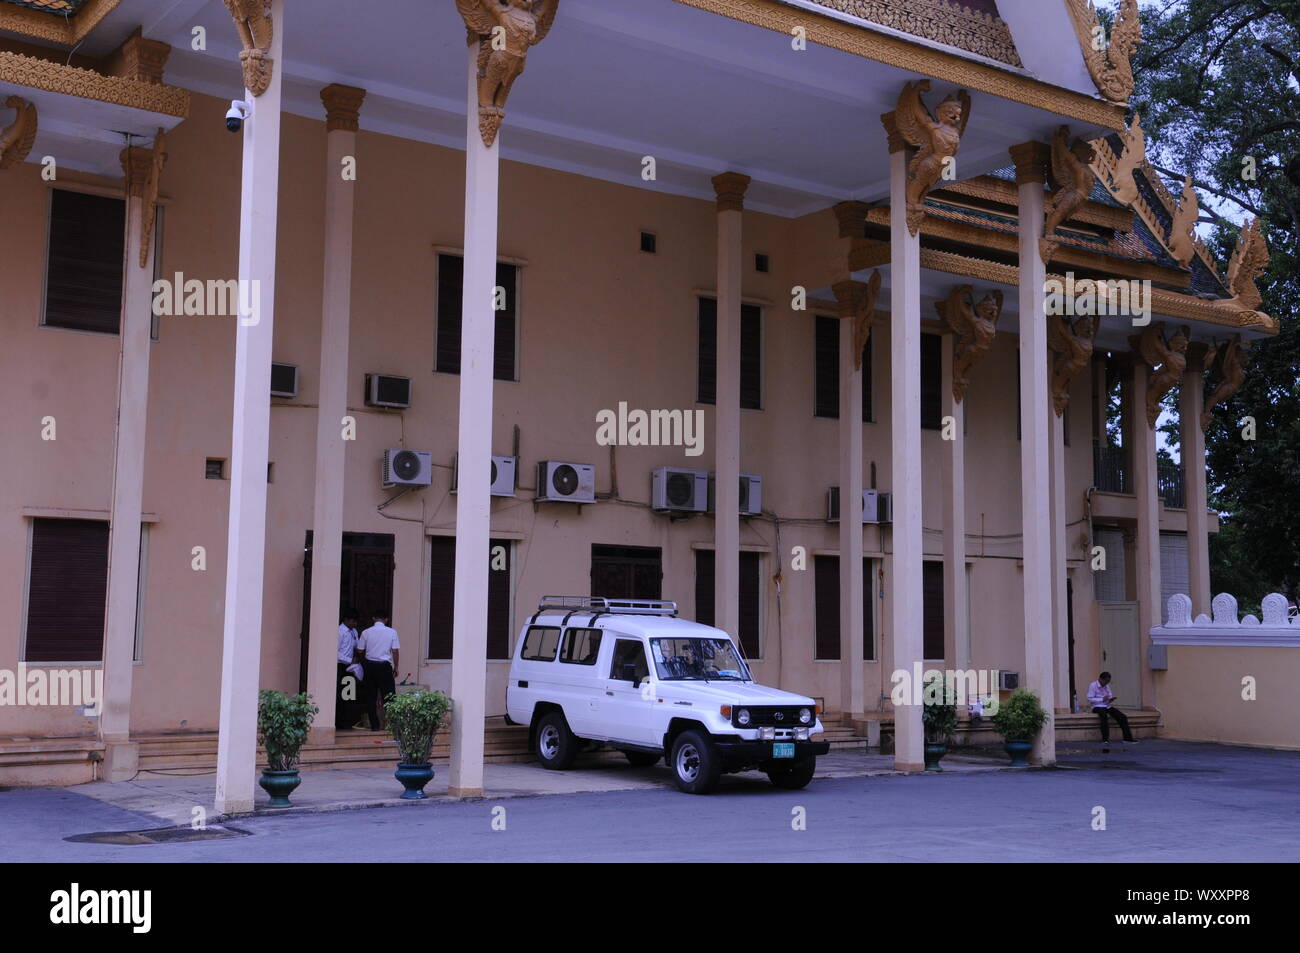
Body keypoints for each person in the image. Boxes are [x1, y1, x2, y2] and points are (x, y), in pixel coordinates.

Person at [357, 610, 400, 730]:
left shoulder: (366, 632)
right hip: (384, 666)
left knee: (371, 696)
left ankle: (374, 726)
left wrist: (363, 662)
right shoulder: (392, 632)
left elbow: (360, 650)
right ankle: (391, 725)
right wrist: (396, 667)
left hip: (369, 666)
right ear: (386, 619)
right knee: (389, 696)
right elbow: (395, 651)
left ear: (373, 618)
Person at [1087, 671, 1137, 744]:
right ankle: (1105, 739)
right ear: (1100, 679)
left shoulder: (1106, 686)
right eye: (1106, 681)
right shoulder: (1093, 685)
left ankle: (1127, 738)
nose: (1107, 683)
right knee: (1104, 716)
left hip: (1106, 706)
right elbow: (1089, 698)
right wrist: (1102, 699)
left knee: (1122, 717)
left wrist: (1110, 699)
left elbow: (1109, 695)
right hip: (1096, 706)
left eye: (1108, 682)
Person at [335, 609, 362, 730]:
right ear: (345, 620)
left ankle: (348, 720)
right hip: (341, 665)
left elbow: (356, 646)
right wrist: (349, 660)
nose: (355, 624)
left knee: (349, 694)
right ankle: (338, 721)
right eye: (353, 621)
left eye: (356, 622)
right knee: (340, 694)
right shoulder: (339, 631)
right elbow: (335, 652)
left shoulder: (354, 631)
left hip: (351, 667)